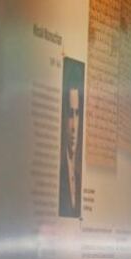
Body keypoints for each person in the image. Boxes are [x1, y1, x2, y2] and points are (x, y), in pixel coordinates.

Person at [59, 86, 82, 218]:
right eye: (70, 114)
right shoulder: (59, 175)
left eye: (77, 114)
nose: (74, 127)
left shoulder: (78, 179)